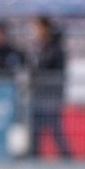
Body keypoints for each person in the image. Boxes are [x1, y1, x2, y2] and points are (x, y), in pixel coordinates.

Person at [27, 15, 71, 159]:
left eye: (37, 27)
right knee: (35, 132)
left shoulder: (55, 49)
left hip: (50, 97)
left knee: (55, 130)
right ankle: (34, 160)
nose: (34, 31)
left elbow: (51, 71)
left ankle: (67, 160)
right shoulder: (38, 48)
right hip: (38, 96)